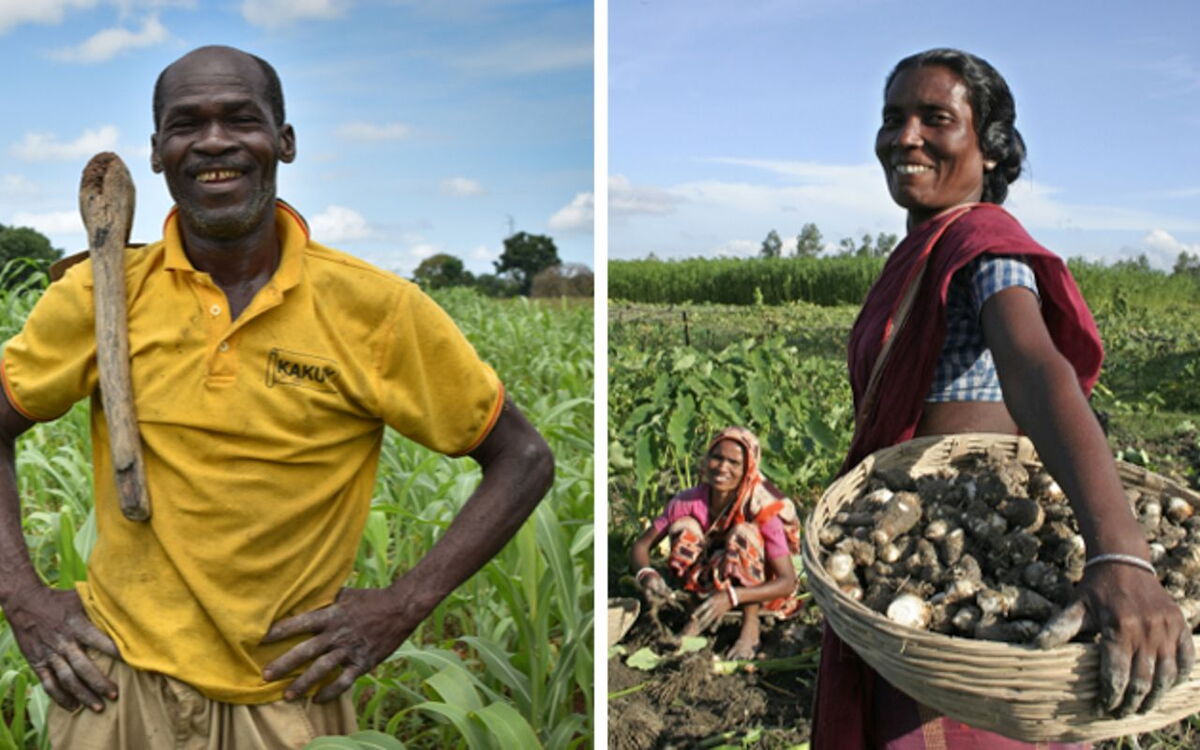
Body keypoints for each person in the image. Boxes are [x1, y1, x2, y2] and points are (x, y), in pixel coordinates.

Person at [0, 45, 554, 748]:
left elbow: (524, 457)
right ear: (157, 152)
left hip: (287, 697)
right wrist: (22, 598)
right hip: (113, 690)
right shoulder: (101, 289)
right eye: (185, 125)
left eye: (241, 118)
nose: (213, 142)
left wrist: (401, 605)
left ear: (284, 141)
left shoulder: (375, 309)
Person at [810, 48, 1194, 749]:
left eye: (936, 119)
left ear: (988, 148)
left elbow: (1034, 365)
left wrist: (1120, 554)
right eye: (893, 119)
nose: (906, 138)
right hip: (913, 548)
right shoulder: (925, 251)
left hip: (976, 549)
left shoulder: (986, 247)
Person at [629, 426, 800, 659]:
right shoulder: (688, 501)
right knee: (685, 527)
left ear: (747, 468)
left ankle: (750, 629)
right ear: (707, 458)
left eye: (734, 463)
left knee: (744, 534)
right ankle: (695, 613)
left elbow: (787, 581)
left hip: (760, 591)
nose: (722, 468)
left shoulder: (762, 505)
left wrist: (732, 597)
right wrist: (646, 574)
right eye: (717, 458)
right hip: (710, 579)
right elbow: (641, 546)